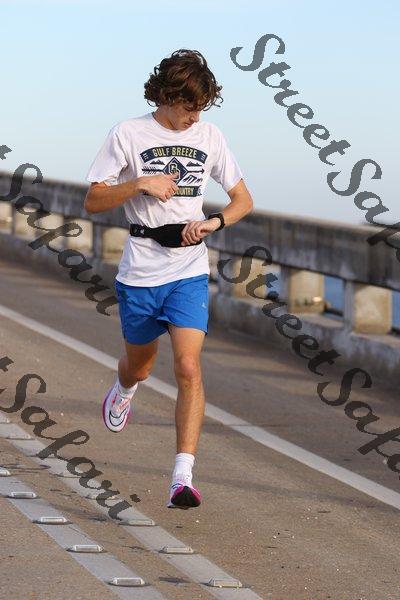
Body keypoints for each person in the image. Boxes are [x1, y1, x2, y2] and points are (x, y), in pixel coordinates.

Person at [84, 48, 253, 510]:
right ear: (165, 96)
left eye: (201, 107)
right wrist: (139, 183)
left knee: (189, 367)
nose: (194, 117)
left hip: (188, 270)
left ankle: (182, 478)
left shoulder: (210, 135)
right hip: (140, 272)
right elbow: (93, 201)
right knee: (139, 366)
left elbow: (243, 200)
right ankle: (124, 389)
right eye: (188, 107)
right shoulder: (127, 133)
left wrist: (214, 222)